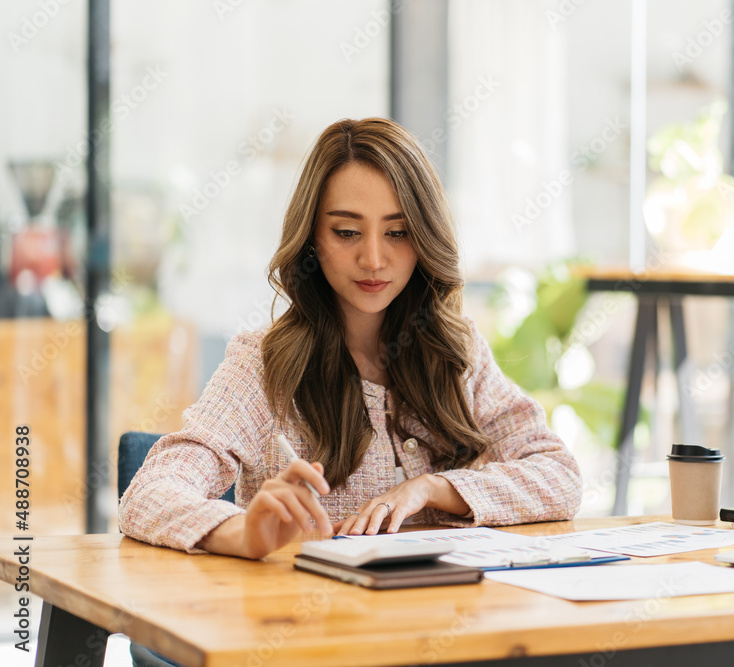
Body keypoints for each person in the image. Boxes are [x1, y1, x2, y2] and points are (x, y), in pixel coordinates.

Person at [118, 117, 583, 560]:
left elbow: (559, 475)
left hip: (442, 627)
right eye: (347, 232)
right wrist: (244, 533)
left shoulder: (455, 352)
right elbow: (149, 494)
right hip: (307, 631)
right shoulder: (264, 364)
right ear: (312, 239)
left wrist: (434, 489)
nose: (374, 259)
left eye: (398, 232)